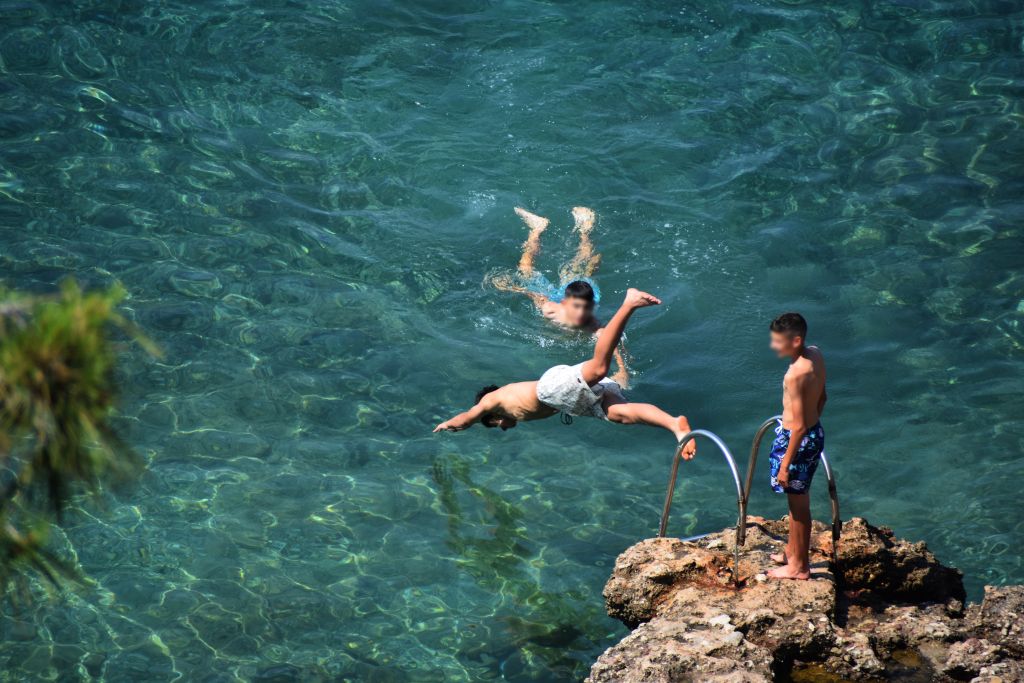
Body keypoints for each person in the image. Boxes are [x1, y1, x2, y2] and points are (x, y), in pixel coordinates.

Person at [433, 289, 696, 457]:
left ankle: (629, 304)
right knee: (621, 414)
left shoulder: (492, 401)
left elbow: (467, 417)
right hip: (569, 401)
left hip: (552, 389)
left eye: (495, 424)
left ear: (492, 415)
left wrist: (451, 424)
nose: (502, 428)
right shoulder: (506, 401)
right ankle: (674, 424)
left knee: (599, 366)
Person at [489, 206, 628, 386]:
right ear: (564, 303)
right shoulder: (550, 310)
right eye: (576, 308)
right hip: (566, 293)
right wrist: (513, 288)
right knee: (524, 269)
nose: (581, 314)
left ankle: (584, 231)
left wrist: (622, 371)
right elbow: (535, 295)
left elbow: (612, 342)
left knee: (586, 263)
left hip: (586, 289)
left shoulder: (592, 327)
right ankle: (538, 229)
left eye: (586, 309)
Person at [766, 313, 827, 580]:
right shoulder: (815, 354)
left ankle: (799, 567)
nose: (773, 346)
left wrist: (786, 464)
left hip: (797, 441)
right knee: (796, 503)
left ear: (796, 340)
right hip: (812, 434)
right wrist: (812, 426)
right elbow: (823, 396)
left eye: (778, 342)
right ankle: (792, 552)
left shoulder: (794, 375)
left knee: (798, 508)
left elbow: (799, 426)